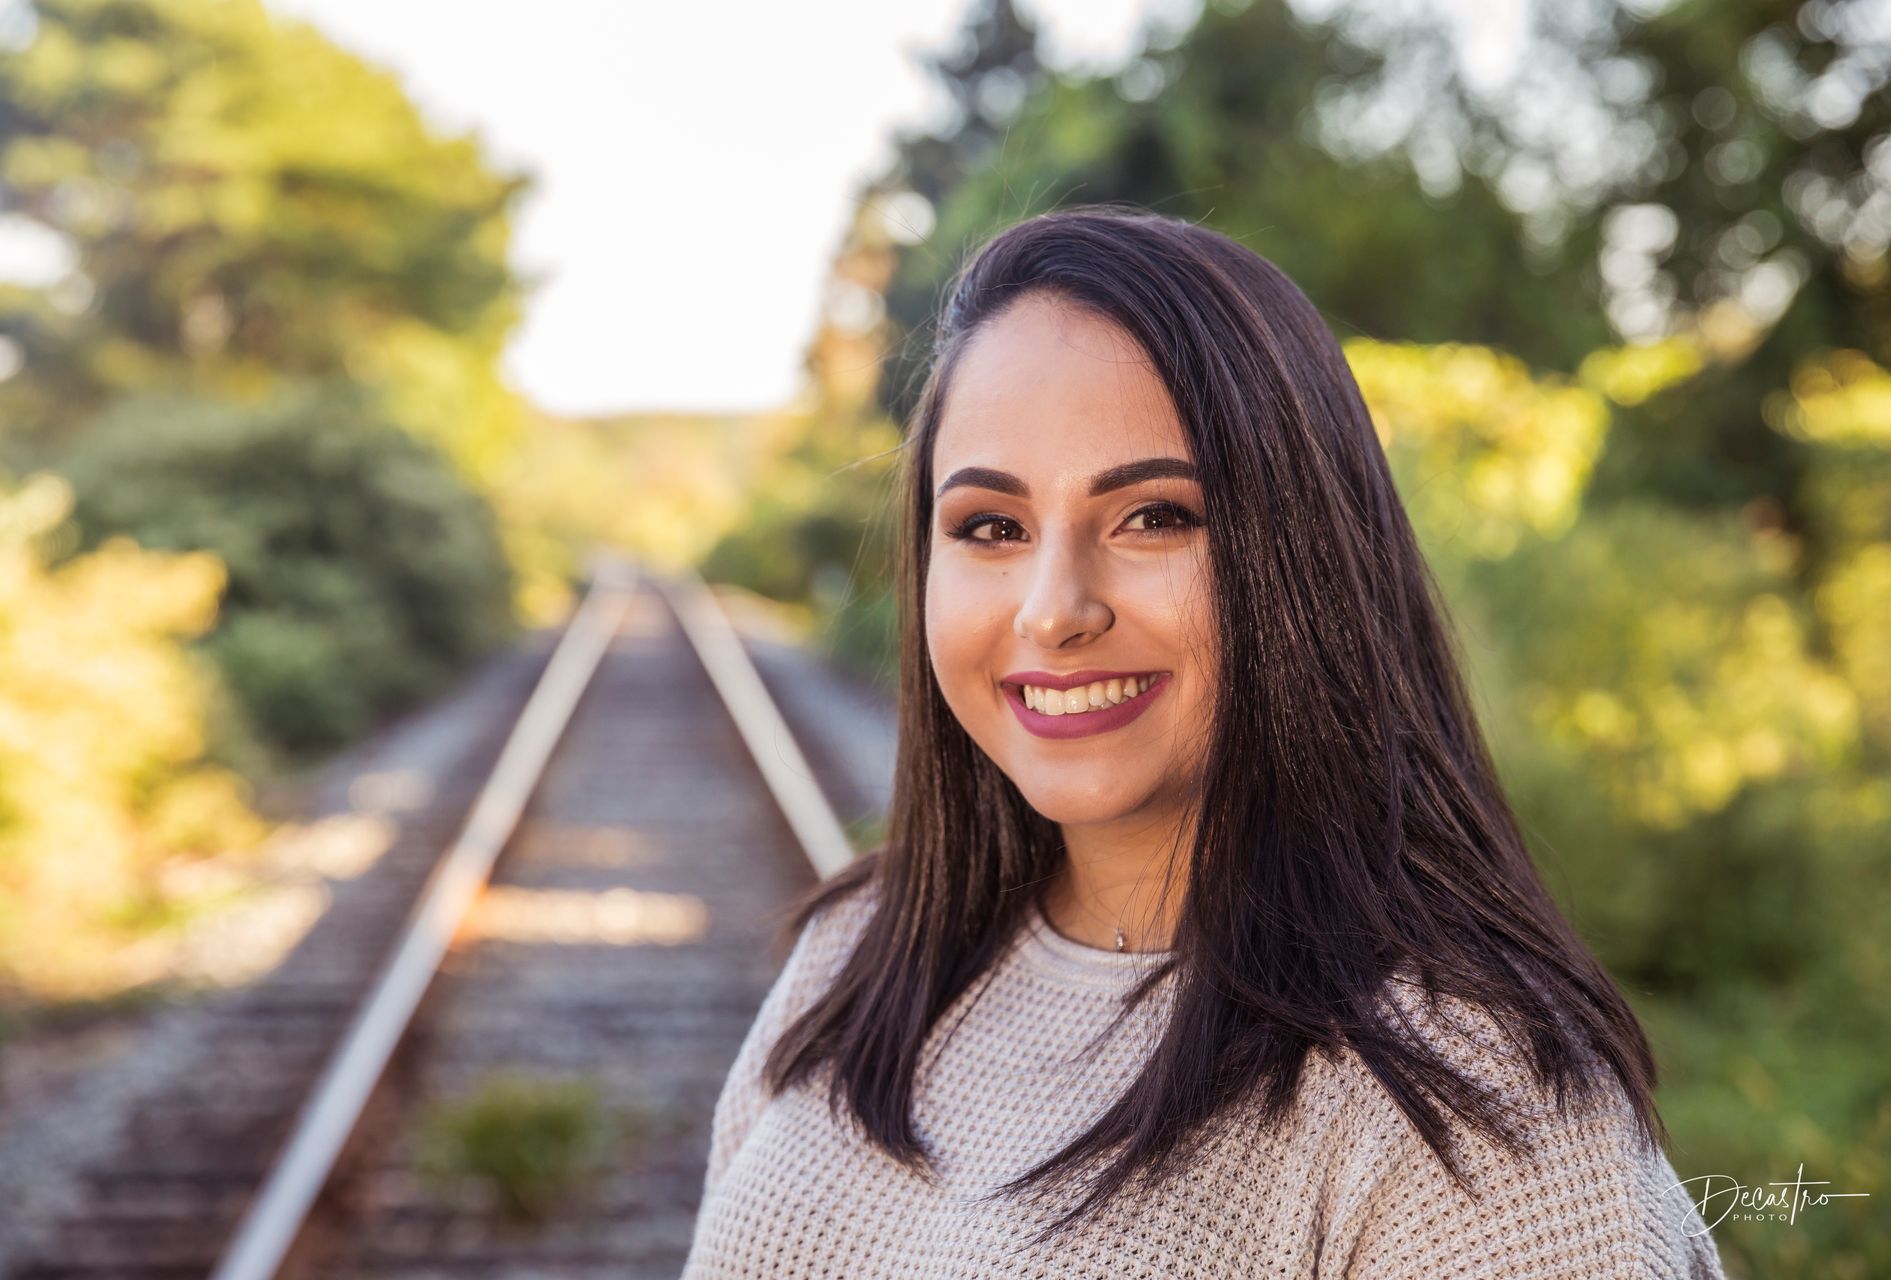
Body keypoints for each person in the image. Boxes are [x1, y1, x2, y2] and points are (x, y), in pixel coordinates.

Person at [679, 206, 1729, 1278]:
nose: (1053, 609)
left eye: (1155, 516)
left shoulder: (1476, 1114)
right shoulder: (852, 958)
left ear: (1307, 552)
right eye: (991, 526)